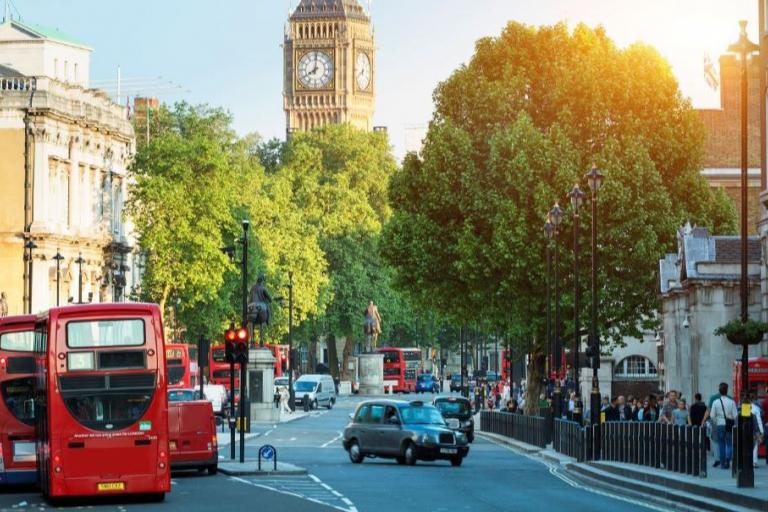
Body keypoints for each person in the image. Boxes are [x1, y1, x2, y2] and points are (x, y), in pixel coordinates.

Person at [709, 382, 737, 469]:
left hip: (720, 425)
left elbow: (712, 415)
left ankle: (723, 463)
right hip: (729, 424)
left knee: (721, 444)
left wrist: (717, 421)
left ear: (719, 391)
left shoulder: (716, 402)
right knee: (729, 443)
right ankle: (728, 458)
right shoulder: (731, 402)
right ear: (727, 391)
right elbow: (735, 415)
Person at [750, 392, 764, 469]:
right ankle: (754, 462)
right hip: (754, 430)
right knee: (755, 446)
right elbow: (759, 421)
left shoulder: (742, 407)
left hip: (745, 429)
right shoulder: (756, 408)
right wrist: (761, 431)